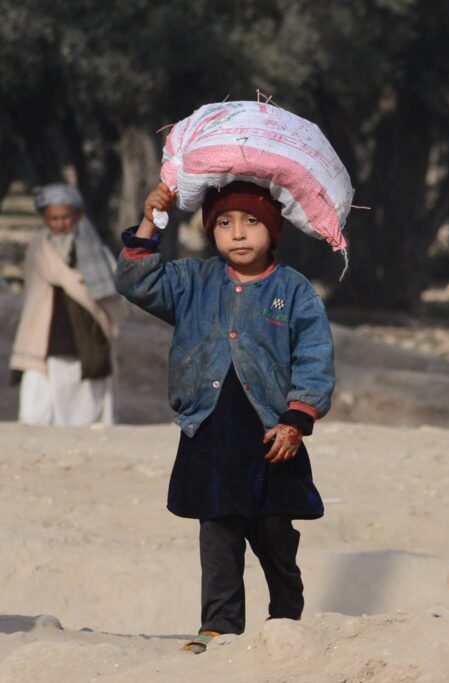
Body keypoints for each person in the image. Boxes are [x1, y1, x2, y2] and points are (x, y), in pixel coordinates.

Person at [115, 180, 335, 653]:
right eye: (224, 223)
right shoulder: (193, 281)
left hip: (272, 435)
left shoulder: (293, 290)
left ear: (273, 230)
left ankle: (286, 617)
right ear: (210, 232)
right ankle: (219, 625)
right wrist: (152, 219)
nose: (238, 233)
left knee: (274, 534)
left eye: (251, 221)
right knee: (217, 530)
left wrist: (296, 420)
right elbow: (136, 282)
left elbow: (315, 358)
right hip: (210, 432)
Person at [11, 184, 121, 425]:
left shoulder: (96, 252)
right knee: (35, 413)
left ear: (78, 216)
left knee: (83, 415)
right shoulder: (38, 248)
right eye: (54, 218)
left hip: (87, 338)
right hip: (46, 336)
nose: (60, 224)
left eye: (65, 217)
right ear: (45, 219)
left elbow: (111, 297)